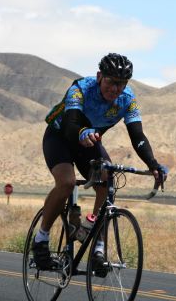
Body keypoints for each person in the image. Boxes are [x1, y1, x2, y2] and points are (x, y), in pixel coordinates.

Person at [33, 53, 168, 272]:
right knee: (66, 183)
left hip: (89, 142)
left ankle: (97, 247)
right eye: (111, 82)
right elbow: (71, 122)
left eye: (121, 84)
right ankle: (41, 240)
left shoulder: (128, 99)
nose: (115, 89)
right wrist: (82, 131)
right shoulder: (80, 89)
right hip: (61, 136)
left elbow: (138, 136)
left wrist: (153, 164)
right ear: (99, 77)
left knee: (107, 181)